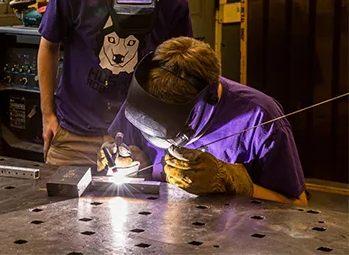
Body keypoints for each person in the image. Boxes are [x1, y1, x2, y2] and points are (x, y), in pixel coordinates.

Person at [37, 0, 193, 169]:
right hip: (74, 135)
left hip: (136, 138)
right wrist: (47, 114)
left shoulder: (174, 3)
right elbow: (48, 46)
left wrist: (166, 134)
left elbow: (180, 69)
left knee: (142, 205)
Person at [106, 36, 308, 205]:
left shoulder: (260, 117)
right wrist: (134, 161)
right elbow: (118, 143)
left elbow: (298, 204)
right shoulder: (147, 98)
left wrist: (232, 181)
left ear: (210, 96)